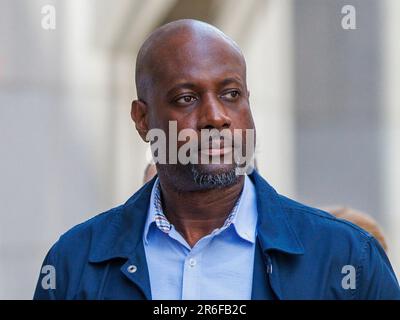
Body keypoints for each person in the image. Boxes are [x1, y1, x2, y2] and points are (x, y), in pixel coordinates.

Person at [34, 19, 400, 300]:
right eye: (186, 98)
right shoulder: (74, 263)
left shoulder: (348, 256)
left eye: (231, 93)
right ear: (142, 119)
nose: (216, 116)